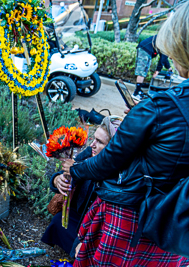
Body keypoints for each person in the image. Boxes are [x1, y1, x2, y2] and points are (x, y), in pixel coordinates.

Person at [61, 3, 189, 266]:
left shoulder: (160, 107)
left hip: (133, 217)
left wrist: (75, 170)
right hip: (176, 220)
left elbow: (108, 162)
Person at [41, 117, 122, 257]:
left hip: (101, 226)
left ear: (113, 148)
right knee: (59, 222)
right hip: (81, 216)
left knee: (91, 251)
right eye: (94, 139)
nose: (92, 145)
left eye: (100, 142)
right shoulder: (90, 153)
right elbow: (68, 171)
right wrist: (57, 180)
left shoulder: (121, 172)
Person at [133, 34, 172, 101]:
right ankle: (136, 93)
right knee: (141, 71)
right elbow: (163, 57)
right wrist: (157, 70)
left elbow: (164, 57)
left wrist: (169, 67)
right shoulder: (167, 41)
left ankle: (138, 91)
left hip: (145, 49)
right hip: (145, 49)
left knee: (143, 71)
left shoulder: (166, 38)